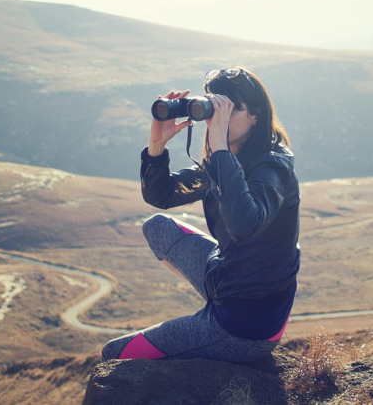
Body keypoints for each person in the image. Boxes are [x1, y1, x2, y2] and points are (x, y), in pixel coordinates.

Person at [100, 66, 301, 362]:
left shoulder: (271, 167)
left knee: (114, 353)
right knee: (157, 227)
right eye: (213, 109)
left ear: (255, 115)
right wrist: (156, 147)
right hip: (228, 276)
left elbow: (247, 223)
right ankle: (212, 307)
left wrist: (219, 147)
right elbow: (162, 195)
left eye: (230, 110)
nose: (216, 120)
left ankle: (210, 326)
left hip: (246, 325)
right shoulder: (231, 156)